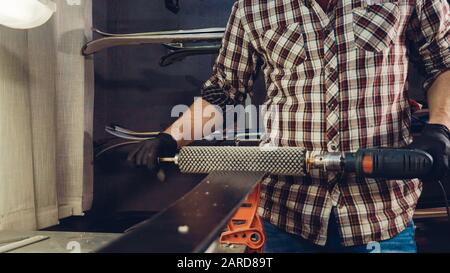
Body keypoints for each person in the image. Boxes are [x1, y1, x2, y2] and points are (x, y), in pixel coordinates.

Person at [128, 0, 450, 253]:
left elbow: (443, 62)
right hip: (290, 215)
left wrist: (440, 128)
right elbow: (223, 92)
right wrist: (171, 139)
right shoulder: (254, 6)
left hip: (380, 214)